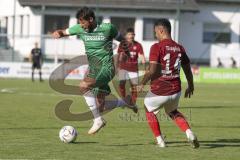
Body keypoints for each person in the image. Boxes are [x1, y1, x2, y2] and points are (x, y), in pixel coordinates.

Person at [52, 7, 137, 135]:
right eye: (80, 22)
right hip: (94, 70)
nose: (81, 25)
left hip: (107, 68)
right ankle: (125, 102)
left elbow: (121, 39)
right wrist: (58, 32)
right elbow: (64, 32)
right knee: (102, 106)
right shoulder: (79, 28)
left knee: (83, 86)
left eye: (83, 22)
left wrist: (126, 51)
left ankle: (97, 120)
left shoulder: (108, 28)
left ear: (90, 19)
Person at [138, 19, 199, 148]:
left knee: (147, 108)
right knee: (173, 111)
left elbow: (152, 70)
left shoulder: (156, 47)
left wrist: (141, 83)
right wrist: (191, 85)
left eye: (156, 32)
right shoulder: (180, 48)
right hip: (176, 90)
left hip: (160, 90)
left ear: (161, 30)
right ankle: (189, 133)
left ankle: (160, 140)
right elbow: (187, 69)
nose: (156, 35)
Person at [117, 28, 146, 105]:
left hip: (133, 69)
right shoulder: (122, 44)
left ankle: (133, 103)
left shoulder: (138, 45)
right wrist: (121, 57)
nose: (131, 36)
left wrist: (144, 64)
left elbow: (141, 56)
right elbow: (119, 56)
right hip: (123, 68)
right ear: (126, 35)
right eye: (129, 34)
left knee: (134, 87)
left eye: (133, 34)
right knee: (121, 84)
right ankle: (123, 100)